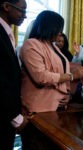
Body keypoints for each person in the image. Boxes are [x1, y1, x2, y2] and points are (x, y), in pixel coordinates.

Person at [19, 10, 83, 149]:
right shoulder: (31, 44)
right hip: (38, 111)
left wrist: (67, 93)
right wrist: (72, 76)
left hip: (58, 110)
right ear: (49, 26)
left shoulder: (54, 46)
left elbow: (63, 70)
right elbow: (41, 77)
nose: (60, 33)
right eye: (59, 29)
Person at [0, 0, 27, 149]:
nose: (24, 15)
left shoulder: (7, 32)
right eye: (22, 10)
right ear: (6, 6)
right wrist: (16, 118)